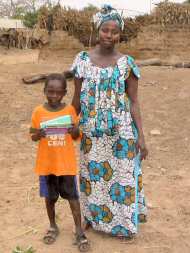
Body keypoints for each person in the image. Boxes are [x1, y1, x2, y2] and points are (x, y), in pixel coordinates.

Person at [71, 5, 148, 238]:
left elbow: (133, 101)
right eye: (105, 30)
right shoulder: (82, 60)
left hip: (122, 131)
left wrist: (141, 137)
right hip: (91, 131)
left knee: (122, 177)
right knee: (92, 176)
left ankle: (124, 226)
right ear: (98, 30)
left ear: (120, 34)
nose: (110, 35)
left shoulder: (127, 63)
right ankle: (92, 218)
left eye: (115, 31)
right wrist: (67, 125)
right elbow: (76, 99)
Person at [30, 73, 89, 251]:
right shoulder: (38, 112)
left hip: (66, 165)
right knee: (49, 198)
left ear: (64, 92)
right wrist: (38, 134)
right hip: (46, 165)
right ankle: (53, 226)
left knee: (73, 198)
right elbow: (33, 135)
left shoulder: (70, 111)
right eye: (50, 92)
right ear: (44, 91)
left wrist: (74, 130)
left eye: (58, 92)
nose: (54, 96)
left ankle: (79, 230)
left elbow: (77, 135)